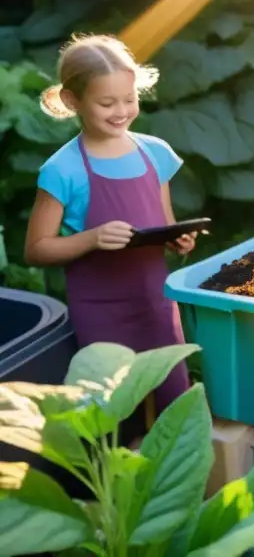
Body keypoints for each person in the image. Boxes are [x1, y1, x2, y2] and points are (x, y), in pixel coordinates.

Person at [24, 33, 195, 419]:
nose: (121, 110)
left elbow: (164, 224)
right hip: (100, 310)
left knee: (173, 404)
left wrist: (179, 240)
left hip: (156, 302)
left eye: (130, 99)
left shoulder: (155, 153)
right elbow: (36, 248)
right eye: (106, 102)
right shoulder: (62, 169)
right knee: (111, 410)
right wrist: (92, 239)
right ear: (72, 101)